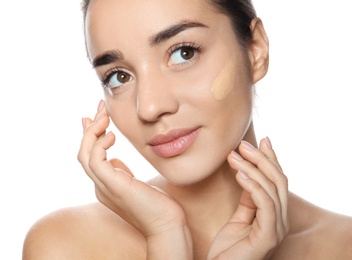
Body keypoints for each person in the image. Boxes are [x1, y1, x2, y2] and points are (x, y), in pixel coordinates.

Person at [22, 0, 352, 259]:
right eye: (119, 76)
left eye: (184, 53)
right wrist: (165, 237)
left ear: (255, 51)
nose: (149, 107)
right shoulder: (66, 247)